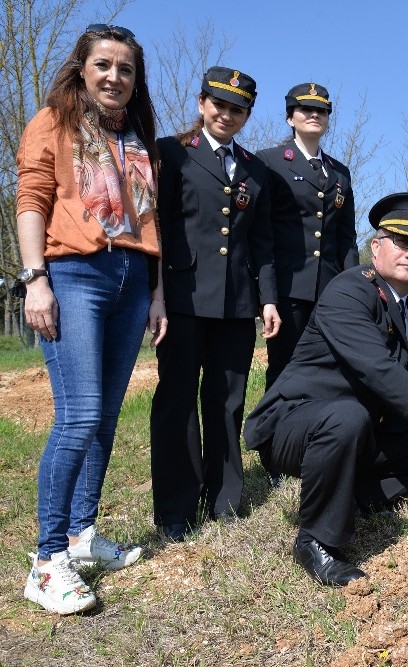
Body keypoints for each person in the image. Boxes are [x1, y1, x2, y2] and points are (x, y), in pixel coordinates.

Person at [244, 193, 408, 586]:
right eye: (402, 242)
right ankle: (315, 540)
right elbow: (380, 371)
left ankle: (360, 497)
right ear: (376, 246)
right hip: (299, 425)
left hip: (359, 427)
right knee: (350, 417)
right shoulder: (348, 291)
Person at [15, 23, 166, 615]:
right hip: (74, 273)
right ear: (82, 67)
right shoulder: (53, 121)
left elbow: (149, 220)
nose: (114, 77)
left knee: (104, 417)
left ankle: (82, 535)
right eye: (104, 64)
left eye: (125, 69)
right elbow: (32, 199)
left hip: (133, 280)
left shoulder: (137, 138)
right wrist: (35, 279)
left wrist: (155, 293)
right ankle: (47, 561)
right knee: (78, 415)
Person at [150, 67, 280, 541]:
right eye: (219, 105)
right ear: (202, 103)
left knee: (227, 402)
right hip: (182, 300)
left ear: (247, 115)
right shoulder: (170, 153)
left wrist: (268, 298)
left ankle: (225, 499)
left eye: (237, 109)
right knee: (177, 401)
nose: (226, 115)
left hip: (236, 305)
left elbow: (262, 241)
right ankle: (176, 509)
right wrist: (155, 295)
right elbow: (157, 228)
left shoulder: (255, 169)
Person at [257, 83, 359, 390]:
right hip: (288, 289)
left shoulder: (340, 173)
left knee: (328, 369)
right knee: (284, 370)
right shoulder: (270, 162)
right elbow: (262, 234)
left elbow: (346, 239)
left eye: (322, 111)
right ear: (290, 118)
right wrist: (267, 296)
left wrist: (354, 290)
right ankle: (276, 422)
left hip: (330, 291)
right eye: (306, 109)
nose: (315, 115)